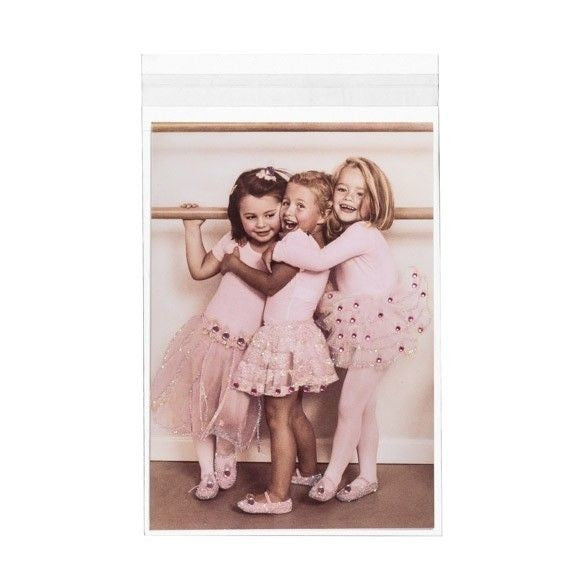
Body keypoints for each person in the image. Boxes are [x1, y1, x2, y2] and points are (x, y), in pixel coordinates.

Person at [269, 158, 430, 502]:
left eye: (360, 193)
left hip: (376, 326)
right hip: (363, 325)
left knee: (348, 407)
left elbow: (318, 262)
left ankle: (331, 478)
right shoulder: (347, 232)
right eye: (342, 189)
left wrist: (279, 246)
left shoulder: (362, 232)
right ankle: (368, 475)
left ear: (375, 200)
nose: (348, 198)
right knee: (364, 407)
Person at [151, 167, 287, 499]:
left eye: (269, 214)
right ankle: (206, 473)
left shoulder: (286, 251)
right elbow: (199, 270)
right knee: (202, 404)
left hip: (248, 347)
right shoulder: (233, 242)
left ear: (283, 210)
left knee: (232, 409)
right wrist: (191, 228)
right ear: (238, 217)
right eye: (251, 216)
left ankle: (226, 456)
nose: (261, 224)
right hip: (212, 338)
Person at [220, 171, 338, 514]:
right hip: (297, 333)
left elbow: (271, 285)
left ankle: (277, 496)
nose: (288, 211)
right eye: (286, 202)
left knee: (278, 418)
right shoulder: (310, 244)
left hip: (284, 336)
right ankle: (309, 472)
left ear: (323, 215)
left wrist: (234, 264)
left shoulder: (296, 244)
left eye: (301, 206)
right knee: (294, 412)